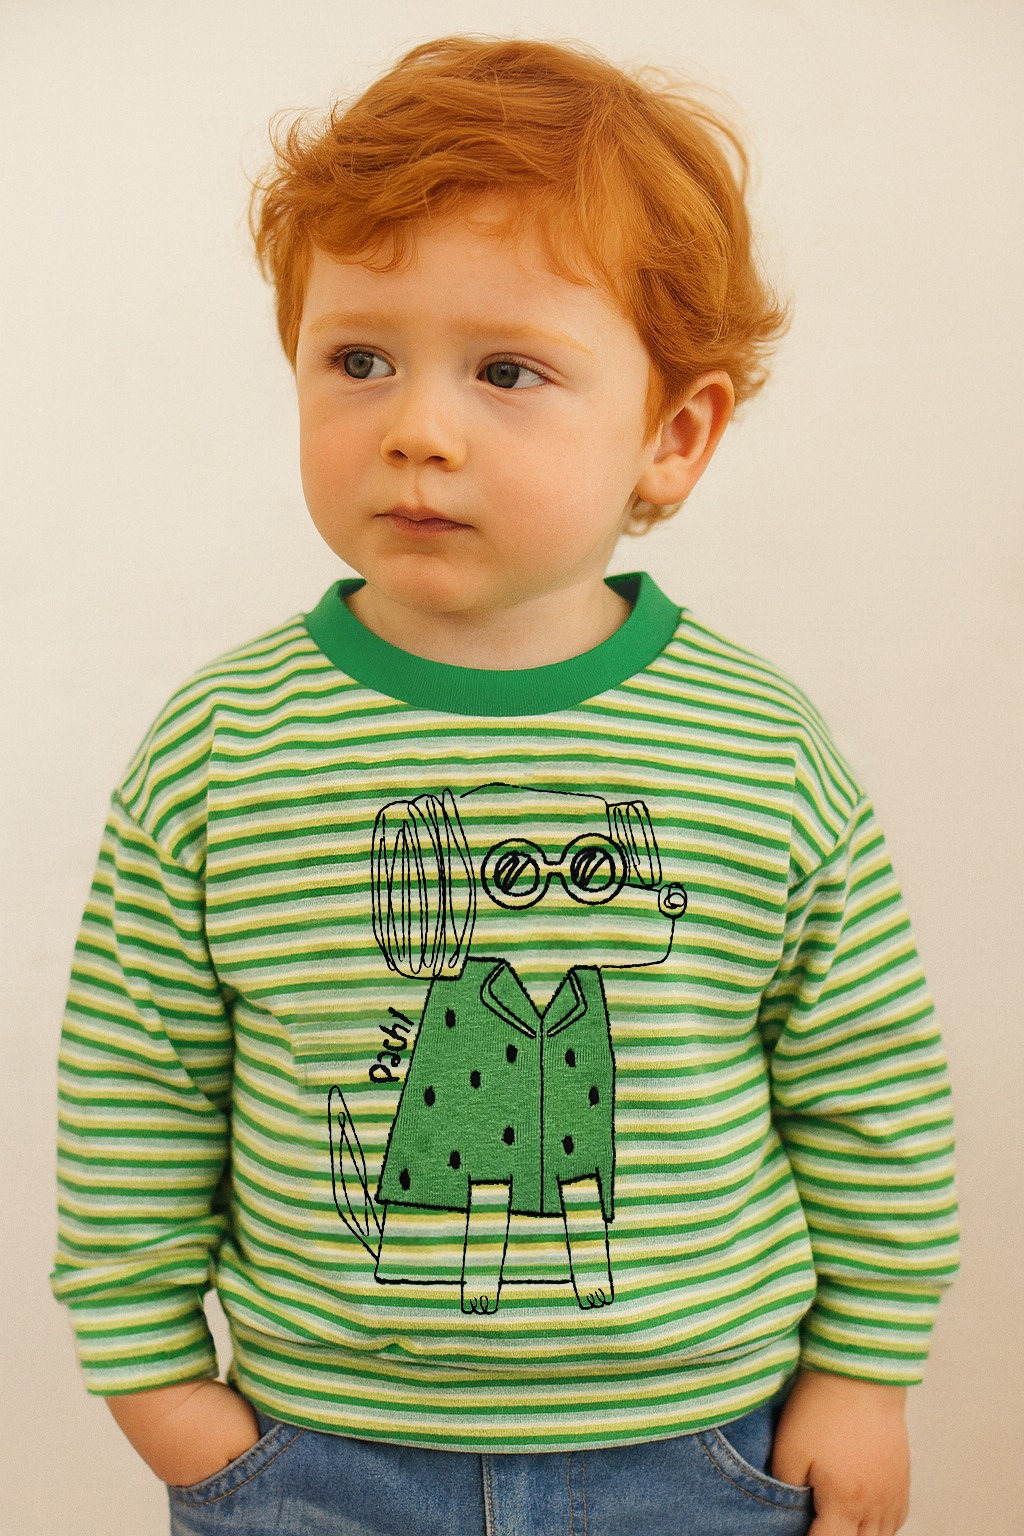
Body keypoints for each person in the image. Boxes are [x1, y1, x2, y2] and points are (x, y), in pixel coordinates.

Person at [50, 33, 960, 1536]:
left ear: (672, 436)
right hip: (318, 1454)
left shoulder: (757, 748)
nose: (417, 426)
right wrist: (156, 1385)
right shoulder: (223, 747)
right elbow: (139, 1082)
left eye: (507, 370)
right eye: (359, 360)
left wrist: (865, 1374)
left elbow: (866, 1083)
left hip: (696, 1452)